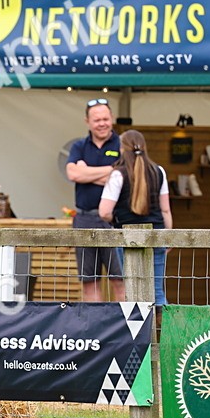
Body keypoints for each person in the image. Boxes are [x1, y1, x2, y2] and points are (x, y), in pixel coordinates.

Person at [99, 130, 172, 306]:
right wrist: (168, 237)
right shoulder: (159, 171)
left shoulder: (118, 174)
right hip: (157, 236)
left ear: (122, 149)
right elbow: (166, 210)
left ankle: (137, 332)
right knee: (157, 292)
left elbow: (104, 211)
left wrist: (116, 219)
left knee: (131, 290)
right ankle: (166, 333)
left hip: (126, 238)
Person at [66, 98, 126, 302]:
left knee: (120, 279)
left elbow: (126, 176)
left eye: (106, 119)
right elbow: (73, 174)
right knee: (89, 280)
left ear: (112, 119)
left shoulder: (122, 144)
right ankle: (95, 329)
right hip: (84, 220)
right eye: (97, 119)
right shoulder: (79, 146)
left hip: (114, 221)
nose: (102, 123)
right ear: (87, 121)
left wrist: (87, 172)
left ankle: (124, 330)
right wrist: (111, 172)